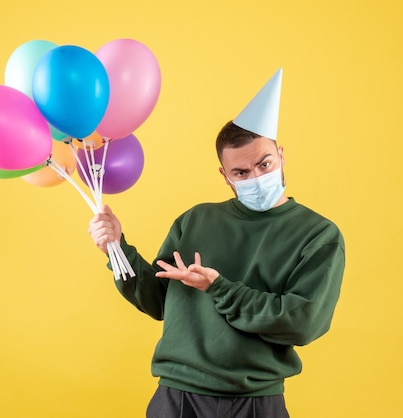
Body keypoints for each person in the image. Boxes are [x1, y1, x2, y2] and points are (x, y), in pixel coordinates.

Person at [88, 69, 345, 418]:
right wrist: (117, 248)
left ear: (281, 155)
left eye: (264, 163)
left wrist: (219, 288)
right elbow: (158, 300)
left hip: (255, 401)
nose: (256, 176)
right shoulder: (196, 220)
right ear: (224, 176)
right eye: (241, 172)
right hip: (178, 398)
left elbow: (303, 322)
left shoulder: (318, 235)